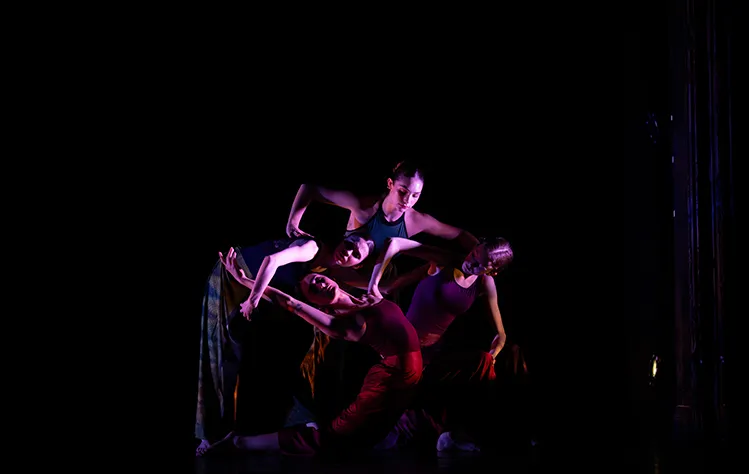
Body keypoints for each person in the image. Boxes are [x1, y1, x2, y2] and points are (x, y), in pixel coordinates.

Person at [208, 264, 423, 457]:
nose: (320, 283)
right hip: (393, 376)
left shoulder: (371, 294)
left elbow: (391, 247)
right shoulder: (340, 324)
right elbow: (288, 301)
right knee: (336, 439)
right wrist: (246, 282)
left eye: (318, 278)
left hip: (406, 373)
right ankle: (242, 442)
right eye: (313, 289)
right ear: (316, 305)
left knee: (373, 431)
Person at [195, 232, 375, 456]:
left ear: (358, 264)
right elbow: (271, 261)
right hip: (233, 273)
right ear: (341, 238)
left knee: (304, 343)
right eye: (348, 244)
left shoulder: (333, 272)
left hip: (255, 288)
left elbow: (382, 286)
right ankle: (209, 433)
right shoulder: (312, 248)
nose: (347, 252)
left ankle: (304, 415)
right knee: (219, 351)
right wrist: (253, 299)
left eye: (355, 254)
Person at [367, 236, 527, 451]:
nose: (471, 262)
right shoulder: (444, 260)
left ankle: (461, 433)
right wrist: (374, 284)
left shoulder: (485, 283)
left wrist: (493, 356)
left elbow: (501, 334)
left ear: (492, 271)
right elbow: (394, 243)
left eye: (480, 264)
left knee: (485, 363)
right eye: (473, 254)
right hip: (405, 348)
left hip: (434, 354)